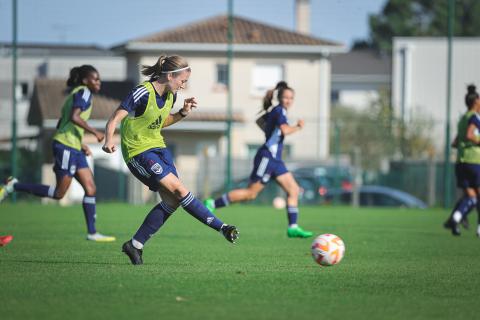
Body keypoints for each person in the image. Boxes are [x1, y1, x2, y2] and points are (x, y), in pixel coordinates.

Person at [102, 55, 239, 265]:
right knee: (180, 190)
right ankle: (222, 227)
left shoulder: (171, 96)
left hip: (159, 149)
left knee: (172, 201)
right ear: (170, 75)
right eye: (182, 80)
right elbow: (115, 117)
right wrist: (109, 139)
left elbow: (159, 121)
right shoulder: (142, 92)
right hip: (138, 152)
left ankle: (135, 244)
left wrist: (182, 113)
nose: (184, 85)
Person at [0, 65, 115, 242]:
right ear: (85, 81)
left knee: (90, 188)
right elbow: (74, 117)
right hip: (65, 147)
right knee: (59, 193)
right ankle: (13, 186)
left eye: (99, 79)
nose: (98, 82)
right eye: (95, 79)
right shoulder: (84, 92)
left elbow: (62, 122)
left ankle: (92, 232)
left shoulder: (77, 93)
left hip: (73, 147)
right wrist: (95, 132)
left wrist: (81, 143)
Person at [204, 81, 313, 238]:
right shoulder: (279, 111)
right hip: (267, 158)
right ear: (280, 98)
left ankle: (293, 227)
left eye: (291, 98)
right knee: (250, 194)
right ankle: (212, 204)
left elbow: (260, 121)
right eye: (286, 97)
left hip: (276, 160)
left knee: (293, 190)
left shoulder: (277, 112)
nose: (288, 100)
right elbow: (285, 130)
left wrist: (269, 132)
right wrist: (298, 126)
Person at [444, 84, 480, 237]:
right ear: (476, 102)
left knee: (471, 197)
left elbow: (455, 142)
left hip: (461, 162)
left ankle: (456, 218)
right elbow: (470, 135)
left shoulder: (462, 119)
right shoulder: (474, 117)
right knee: (476, 197)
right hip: (474, 161)